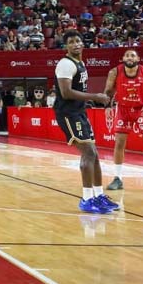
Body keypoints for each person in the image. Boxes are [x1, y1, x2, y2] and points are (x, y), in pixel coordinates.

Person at [54, 30, 118, 214]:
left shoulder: (80, 63)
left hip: (79, 111)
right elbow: (66, 93)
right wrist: (95, 96)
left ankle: (98, 195)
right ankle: (86, 198)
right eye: (71, 42)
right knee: (88, 152)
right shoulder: (65, 64)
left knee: (94, 154)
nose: (76, 44)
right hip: (67, 113)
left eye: (78, 40)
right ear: (66, 46)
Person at [104, 49, 143, 193]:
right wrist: (107, 106)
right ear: (122, 59)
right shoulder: (115, 72)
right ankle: (118, 178)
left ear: (138, 59)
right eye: (127, 55)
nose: (129, 57)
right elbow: (108, 91)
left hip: (141, 109)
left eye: (132, 55)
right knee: (119, 142)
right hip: (123, 109)